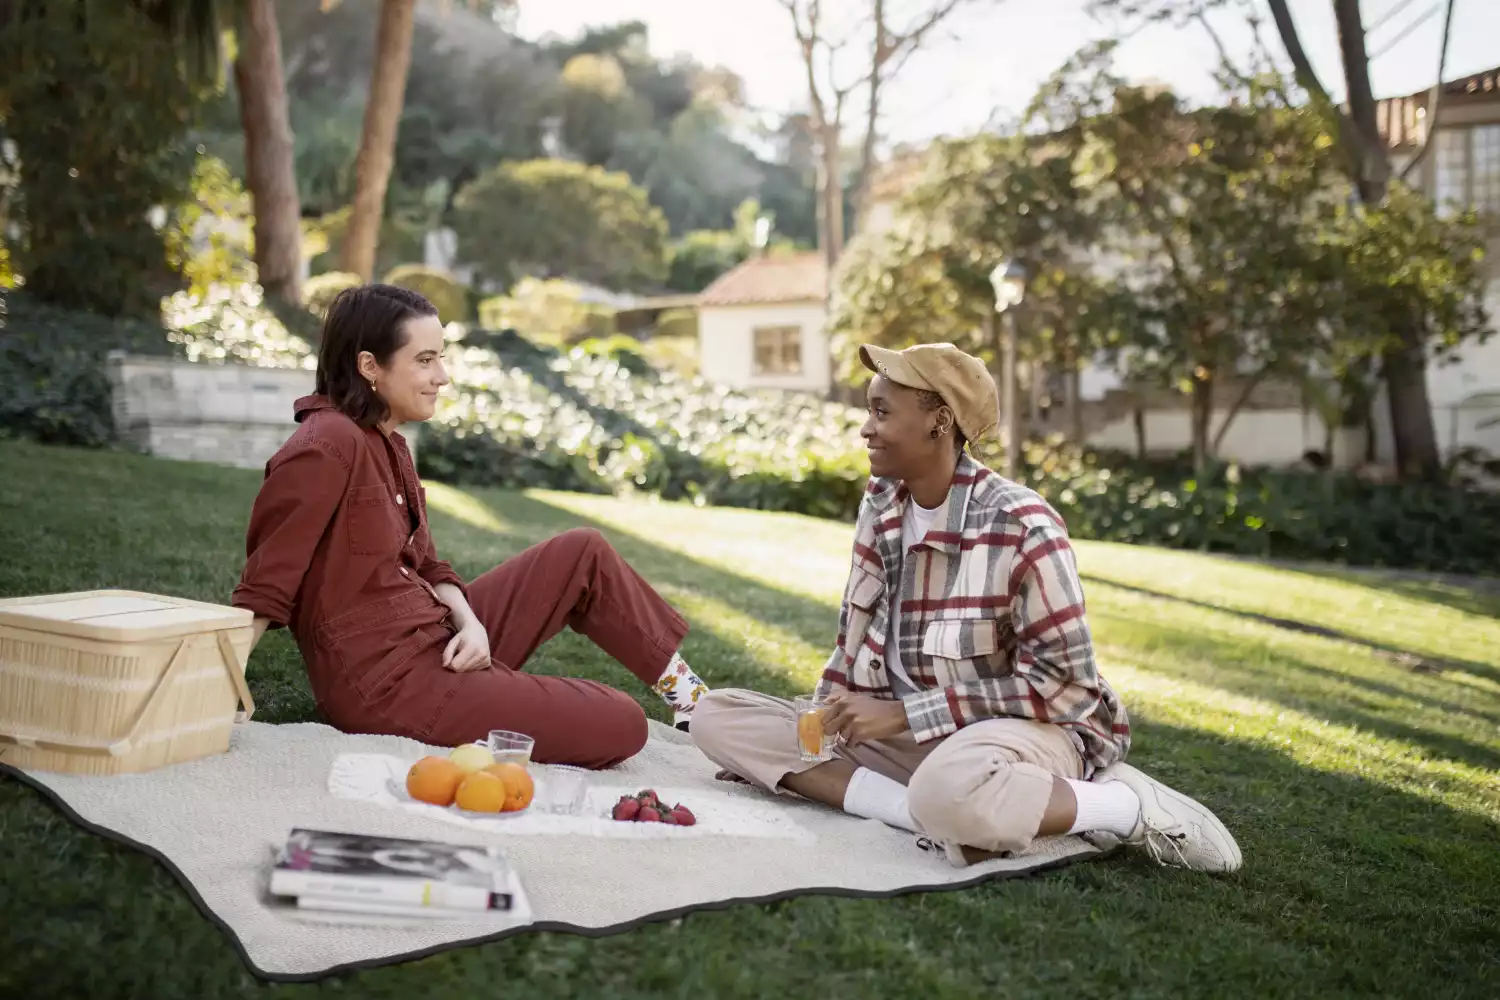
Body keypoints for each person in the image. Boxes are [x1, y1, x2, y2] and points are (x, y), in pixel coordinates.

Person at [691, 343, 1241, 872]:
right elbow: (853, 635)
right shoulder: (882, 503)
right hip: (912, 741)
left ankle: (1123, 806)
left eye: (882, 412)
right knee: (716, 717)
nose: (866, 428)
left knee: (949, 789)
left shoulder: (1022, 526)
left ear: (941, 422)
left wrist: (904, 716)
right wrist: (818, 726)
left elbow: (1068, 688)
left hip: (1024, 733)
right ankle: (929, 814)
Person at [230, 284, 710, 769]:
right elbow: (267, 585)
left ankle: (695, 707)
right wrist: (217, 687)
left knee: (581, 552)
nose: (442, 376)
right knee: (621, 721)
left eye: (440, 357)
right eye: (424, 360)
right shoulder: (326, 445)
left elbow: (430, 564)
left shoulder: (388, 440)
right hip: (387, 686)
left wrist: (472, 624)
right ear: (369, 365)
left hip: (438, 639)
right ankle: (498, 696)